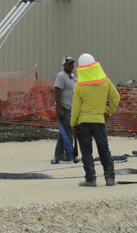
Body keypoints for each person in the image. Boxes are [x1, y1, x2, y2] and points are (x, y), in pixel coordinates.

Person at [69, 53, 120, 186]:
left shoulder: (79, 86)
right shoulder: (105, 82)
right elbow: (116, 98)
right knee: (104, 150)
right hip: (99, 121)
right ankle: (110, 178)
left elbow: (75, 108)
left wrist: (73, 123)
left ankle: (90, 179)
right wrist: (108, 113)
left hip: (83, 123)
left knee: (86, 152)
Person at [51, 55, 78, 163]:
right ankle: (69, 154)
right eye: (69, 63)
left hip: (71, 107)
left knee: (64, 132)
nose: (71, 65)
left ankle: (58, 154)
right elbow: (57, 92)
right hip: (64, 107)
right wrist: (59, 108)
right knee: (68, 131)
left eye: (72, 63)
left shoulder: (72, 76)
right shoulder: (61, 76)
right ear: (64, 64)